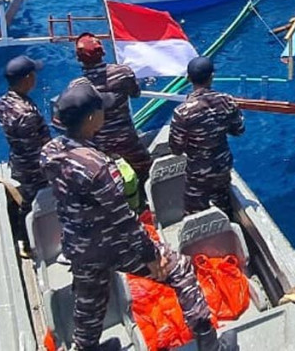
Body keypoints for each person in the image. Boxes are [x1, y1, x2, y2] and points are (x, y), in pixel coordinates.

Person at [40, 82, 226, 351]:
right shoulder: (98, 167)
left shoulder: (49, 152)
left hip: (78, 246)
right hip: (112, 244)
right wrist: (151, 255)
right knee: (180, 270)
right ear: (92, 118)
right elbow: (124, 220)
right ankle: (210, 344)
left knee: (89, 303)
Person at [69, 33, 153, 183]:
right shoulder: (122, 73)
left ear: (79, 58)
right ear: (102, 53)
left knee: (107, 180)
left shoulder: (77, 86)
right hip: (127, 138)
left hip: (99, 146)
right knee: (146, 170)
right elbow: (135, 93)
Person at [169, 56, 245, 214]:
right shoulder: (228, 101)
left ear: (189, 78)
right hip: (222, 166)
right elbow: (239, 130)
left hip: (198, 172)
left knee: (194, 211)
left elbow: (176, 149)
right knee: (223, 203)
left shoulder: (182, 112)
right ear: (212, 77)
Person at [0, 55, 51, 220]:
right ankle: (27, 233)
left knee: (27, 198)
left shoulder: (2, 103)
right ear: (27, 79)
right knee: (37, 205)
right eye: (33, 74)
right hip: (33, 170)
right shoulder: (26, 113)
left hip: (17, 161)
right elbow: (34, 150)